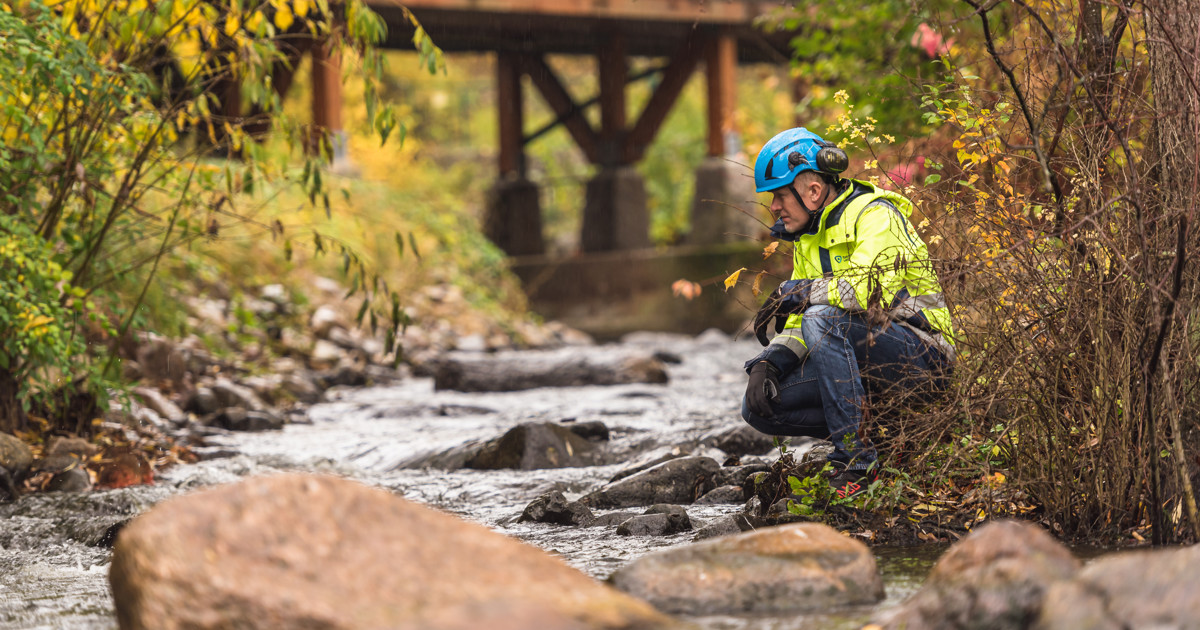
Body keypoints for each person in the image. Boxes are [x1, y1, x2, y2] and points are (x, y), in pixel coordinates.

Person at [742, 127, 955, 499]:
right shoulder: (809, 237)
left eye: (779, 195)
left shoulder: (877, 216)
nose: (773, 207)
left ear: (812, 191)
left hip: (926, 358)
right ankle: (882, 433)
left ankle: (856, 464)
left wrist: (799, 291)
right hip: (864, 356)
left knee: (822, 318)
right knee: (758, 407)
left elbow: (869, 293)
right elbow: (801, 323)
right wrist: (769, 362)